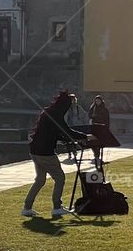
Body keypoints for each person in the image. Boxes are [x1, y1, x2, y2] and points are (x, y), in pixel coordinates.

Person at [22, 90, 98, 219]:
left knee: (40, 180)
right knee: (60, 178)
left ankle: (27, 208)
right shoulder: (56, 115)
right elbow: (66, 131)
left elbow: (54, 132)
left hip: (35, 151)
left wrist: (68, 139)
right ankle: (57, 207)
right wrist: (86, 136)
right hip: (46, 153)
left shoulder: (47, 112)